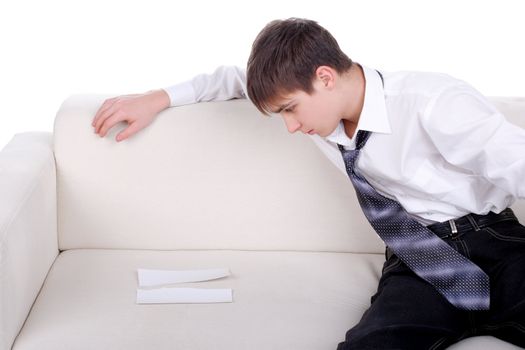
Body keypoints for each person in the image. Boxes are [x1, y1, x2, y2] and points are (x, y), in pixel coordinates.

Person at [91, 17, 525, 349]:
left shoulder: (433, 102)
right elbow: (229, 79)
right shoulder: (320, 111)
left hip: (495, 241)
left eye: (291, 110)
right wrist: (158, 98)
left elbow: (517, 163)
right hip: (417, 259)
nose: (292, 127)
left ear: (325, 77)